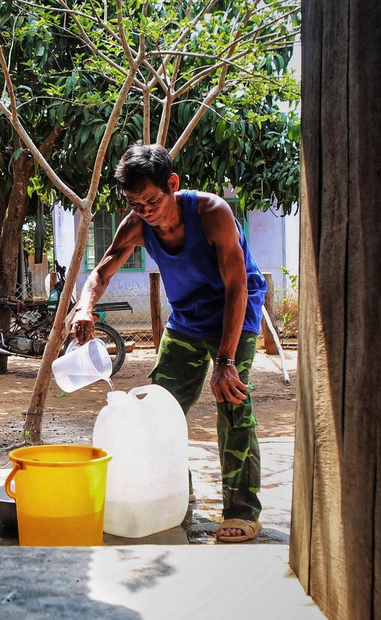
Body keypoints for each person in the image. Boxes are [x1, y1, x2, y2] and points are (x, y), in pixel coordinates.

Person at [72, 143, 266, 543]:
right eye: (135, 203)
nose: (145, 211)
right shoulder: (137, 225)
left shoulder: (212, 213)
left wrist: (225, 360)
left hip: (236, 313)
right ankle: (175, 489)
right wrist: (84, 308)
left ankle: (242, 510)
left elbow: (237, 286)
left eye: (152, 200)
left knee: (232, 402)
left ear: (172, 184)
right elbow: (102, 271)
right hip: (187, 321)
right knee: (157, 407)